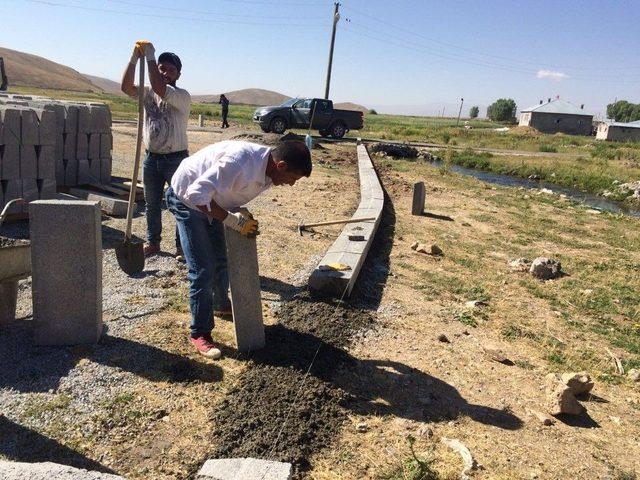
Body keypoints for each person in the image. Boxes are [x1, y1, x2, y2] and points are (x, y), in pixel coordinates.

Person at [166, 140, 312, 359]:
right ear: (281, 166)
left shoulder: (269, 171)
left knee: (221, 259)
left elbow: (231, 190)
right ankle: (200, 332)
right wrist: (232, 221)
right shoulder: (240, 162)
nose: (291, 185)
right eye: (293, 179)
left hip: (214, 202)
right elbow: (197, 195)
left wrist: (238, 213)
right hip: (187, 199)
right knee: (202, 269)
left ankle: (219, 304)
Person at [121, 41, 191, 260]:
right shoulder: (148, 92)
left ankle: (182, 247)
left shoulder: (181, 96)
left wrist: (150, 56)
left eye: (171, 69)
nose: (165, 72)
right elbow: (125, 87)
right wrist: (134, 58)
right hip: (151, 159)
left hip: (176, 160)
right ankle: (153, 243)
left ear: (178, 75)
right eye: (162, 67)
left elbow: (161, 88)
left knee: (181, 204)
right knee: (152, 204)